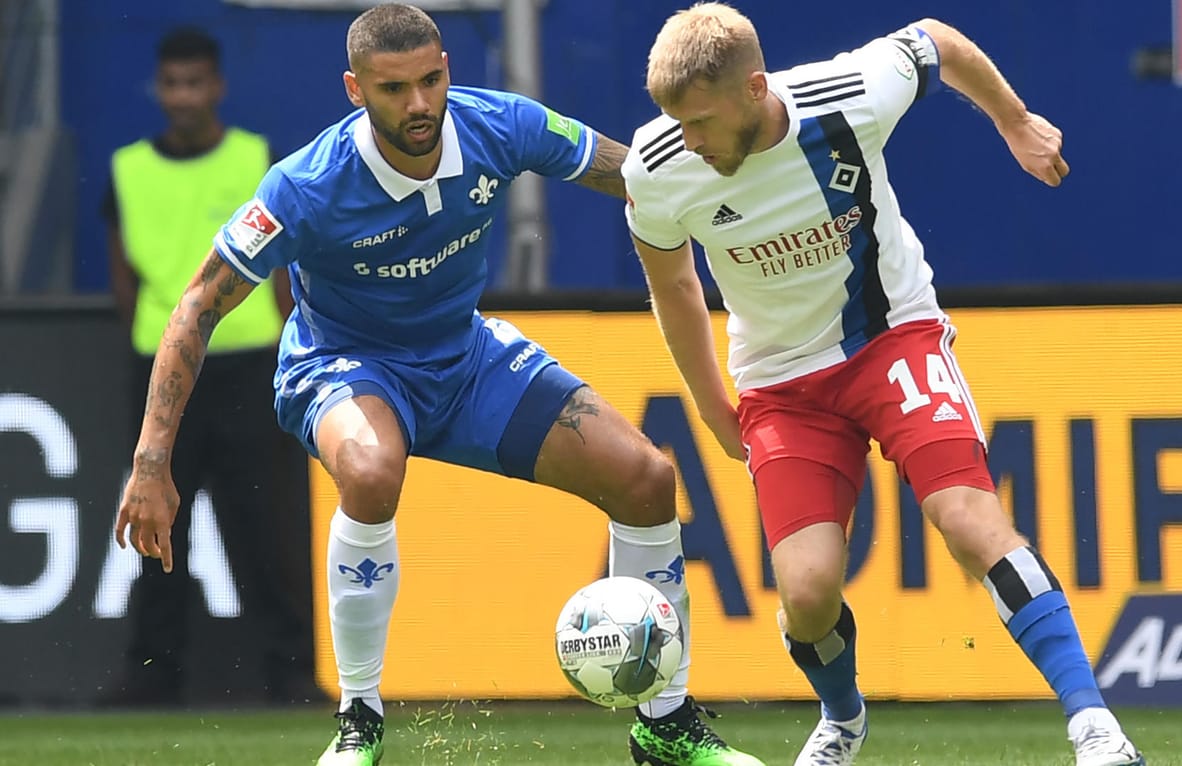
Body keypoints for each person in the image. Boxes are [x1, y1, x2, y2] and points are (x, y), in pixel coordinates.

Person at [113, 5, 764, 766]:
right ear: (355, 89)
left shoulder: (501, 125)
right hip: (343, 363)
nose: (419, 105)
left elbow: (634, 175)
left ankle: (667, 724)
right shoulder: (306, 186)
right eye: (394, 90)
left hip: (464, 357)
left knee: (648, 480)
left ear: (448, 67)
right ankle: (360, 724)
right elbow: (196, 306)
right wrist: (152, 462)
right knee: (369, 468)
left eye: (431, 80)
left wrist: (748, 197)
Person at [622, 5, 1145, 766]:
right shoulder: (657, 164)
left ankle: (1096, 728)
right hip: (779, 384)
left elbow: (937, 39)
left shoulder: (846, 95)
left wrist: (1015, 119)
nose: (689, 141)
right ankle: (843, 719)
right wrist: (711, 408)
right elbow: (673, 287)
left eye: (700, 121)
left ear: (754, 89)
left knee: (967, 519)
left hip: (890, 340)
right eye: (676, 121)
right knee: (806, 595)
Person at [102, 25, 315, 707]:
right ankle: (153, 677)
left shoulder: (256, 159)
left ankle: (290, 673)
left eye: (196, 83)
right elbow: (124, 279)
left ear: (217, 87)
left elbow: (284, 274)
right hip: (165, 376)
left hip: (252, 366)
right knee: (158, 524)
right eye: (172, 84)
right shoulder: (127, 170)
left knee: (272, 530)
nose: (184, 97)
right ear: (158, 89)